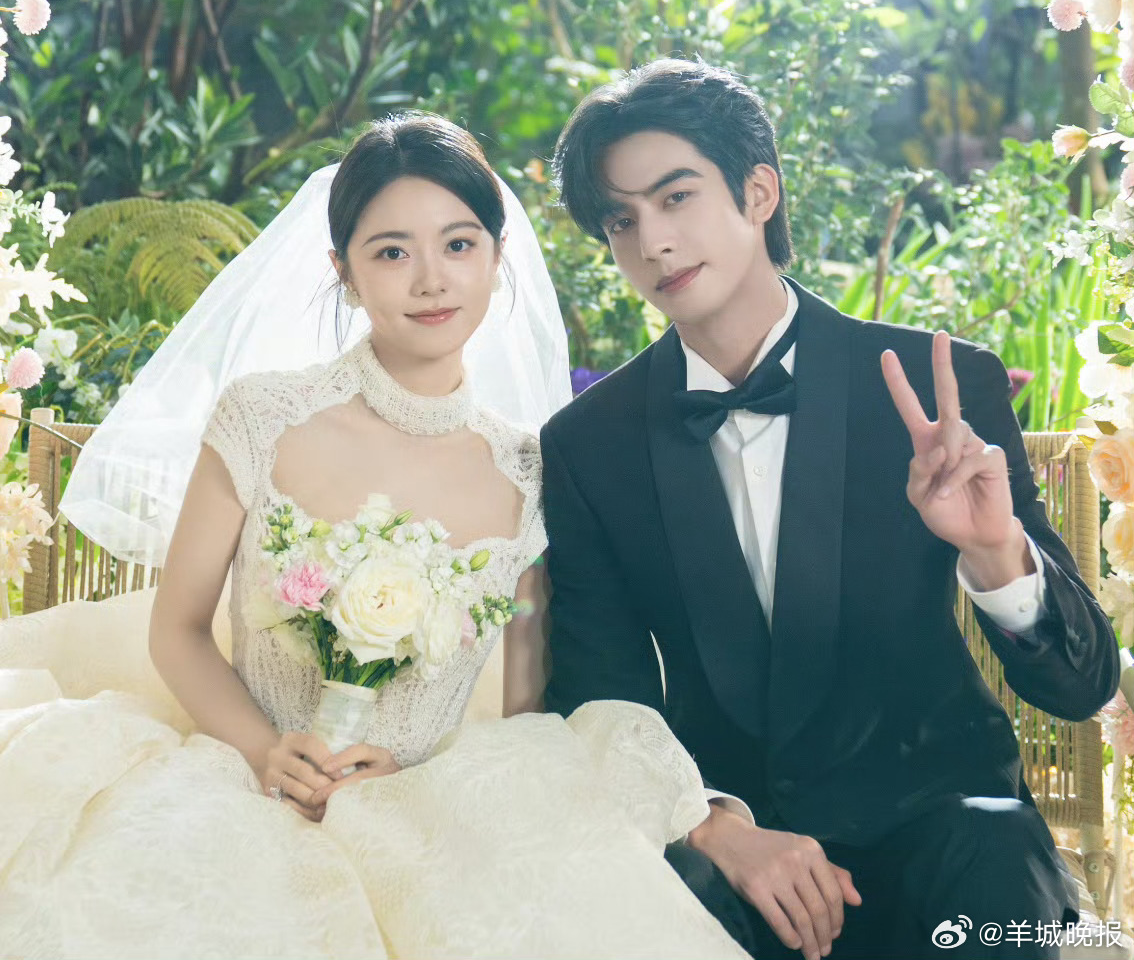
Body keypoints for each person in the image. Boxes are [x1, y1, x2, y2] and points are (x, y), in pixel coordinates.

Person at [0, 112, 749, 960]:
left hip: (424, 811)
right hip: (241, 783)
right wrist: (266, 752)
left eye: (459, 245)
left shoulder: (531, 470)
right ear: (344, 272)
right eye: (392, 252)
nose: (431, 280)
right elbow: (176, 629)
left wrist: (422, 773)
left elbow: (527, 705)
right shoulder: (262, 417)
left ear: (497, 258)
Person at [542, 58, 1120, 960]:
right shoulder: (590, 443)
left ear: (759, 191)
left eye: (676, 197)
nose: (652, 241)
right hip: (740, 859)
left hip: (950, 842)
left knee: (995, 862)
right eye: (622, 220)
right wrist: (713, 825)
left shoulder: (938, 388)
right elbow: (600, 693)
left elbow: (1080, 688)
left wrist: (995, 552)